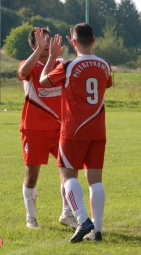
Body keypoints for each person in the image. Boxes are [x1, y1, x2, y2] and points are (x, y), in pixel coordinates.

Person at [40, 23, 112, 243]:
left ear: (73, 42)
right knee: (95, 180)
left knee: (68, 175)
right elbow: (105, 85)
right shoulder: (105, 65)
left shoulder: (69, 65)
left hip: (73, 129)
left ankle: (82, 220)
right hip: (98, 129)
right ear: (94, 41)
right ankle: (97, 230)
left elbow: (43, 82)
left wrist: (52, 57)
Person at [18, 27, 77, 229]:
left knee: (69, 170)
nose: (46, 44)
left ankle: (67, 214)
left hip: (60, 129)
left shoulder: (61, 65)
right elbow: (23, 72)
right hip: (33, 130)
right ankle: (31, 218)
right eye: (41, 41)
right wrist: (41, 51)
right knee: (32, 175)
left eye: (48, 40)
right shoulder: (28, 64)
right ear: (33, 45)